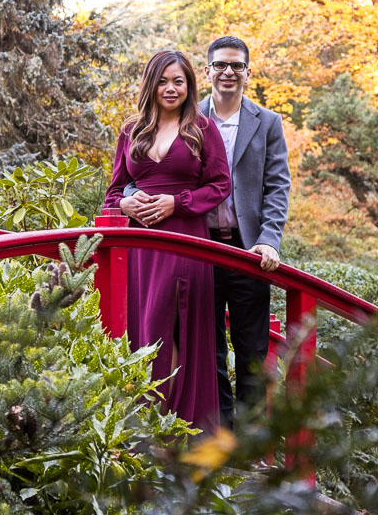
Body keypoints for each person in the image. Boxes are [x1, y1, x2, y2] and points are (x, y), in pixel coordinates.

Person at [121, 37, 291, 428]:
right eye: (220, 65)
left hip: (245, 248)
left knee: (251, 349)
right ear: (208, 70)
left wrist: (268, 239)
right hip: (196, 247)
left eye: (236, 66)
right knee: (204, 347)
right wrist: (131, 196)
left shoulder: (266, 123)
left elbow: (277, 188)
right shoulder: (183, 115)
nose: (228, 72)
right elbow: (133, 176)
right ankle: (217, 434)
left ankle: (249, 444)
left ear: (248, 72)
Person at [104, 50, 231, 431]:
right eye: (163, 81)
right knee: (145, 328)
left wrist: (177, 202)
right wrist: (127, 203)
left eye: (178, 81)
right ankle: (147, 425)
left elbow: (220, 184)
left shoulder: (203, 129)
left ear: (189, 86)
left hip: (185, 238)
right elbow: (112, 195)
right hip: (140, 246)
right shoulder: (131, 131)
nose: (171, 88)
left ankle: (175, 424)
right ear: (151, 84)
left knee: (171, 322)